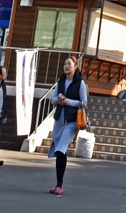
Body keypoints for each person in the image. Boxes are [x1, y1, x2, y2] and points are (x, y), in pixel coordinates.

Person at [48, 55, 87, 195]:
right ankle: (58, 184)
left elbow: (83, 102)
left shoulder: (80, 83)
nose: (66, 66)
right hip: (59, 121)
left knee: (60, 149)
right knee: (60, 152)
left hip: (71, 122)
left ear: (75, 66)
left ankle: (60, 184)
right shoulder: (61, 81)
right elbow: (52, 100)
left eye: (69, 64)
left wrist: (68, 101)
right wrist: (59, 100)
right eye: (65, 64)